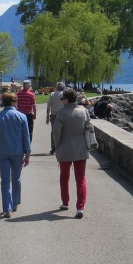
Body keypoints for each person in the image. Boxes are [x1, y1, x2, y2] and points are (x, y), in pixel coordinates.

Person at [0, 91, 32, 219]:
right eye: (16, 101)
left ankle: (7, 208)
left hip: (2, 152)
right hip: (17, 152)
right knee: (16, 179)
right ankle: (15, 203)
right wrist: (28, 153)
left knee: (5, 180)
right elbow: (26, 137)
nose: (17, 103)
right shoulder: (22, 117)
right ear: (13, 102)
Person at [50, 87, 93, 218]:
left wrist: (57, 146)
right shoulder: (84, 111)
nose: (61, 100)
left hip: (64, 148)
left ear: (67, 99)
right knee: (81, 179)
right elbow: (89, 127)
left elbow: (56, 133)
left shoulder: (61, 113)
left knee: (64, 176)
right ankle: (80, 207)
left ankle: (65, 202)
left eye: (62, 98)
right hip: (81, 148)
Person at [46, 81, 66, 154]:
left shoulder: (52, 94)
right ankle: (62, 146)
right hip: (64, 115)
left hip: (54, 115)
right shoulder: (65, 94)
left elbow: (48, 106)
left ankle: (53, 147)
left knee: (54, 131)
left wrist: (47, 117)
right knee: (64, 131)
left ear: (57, 87)